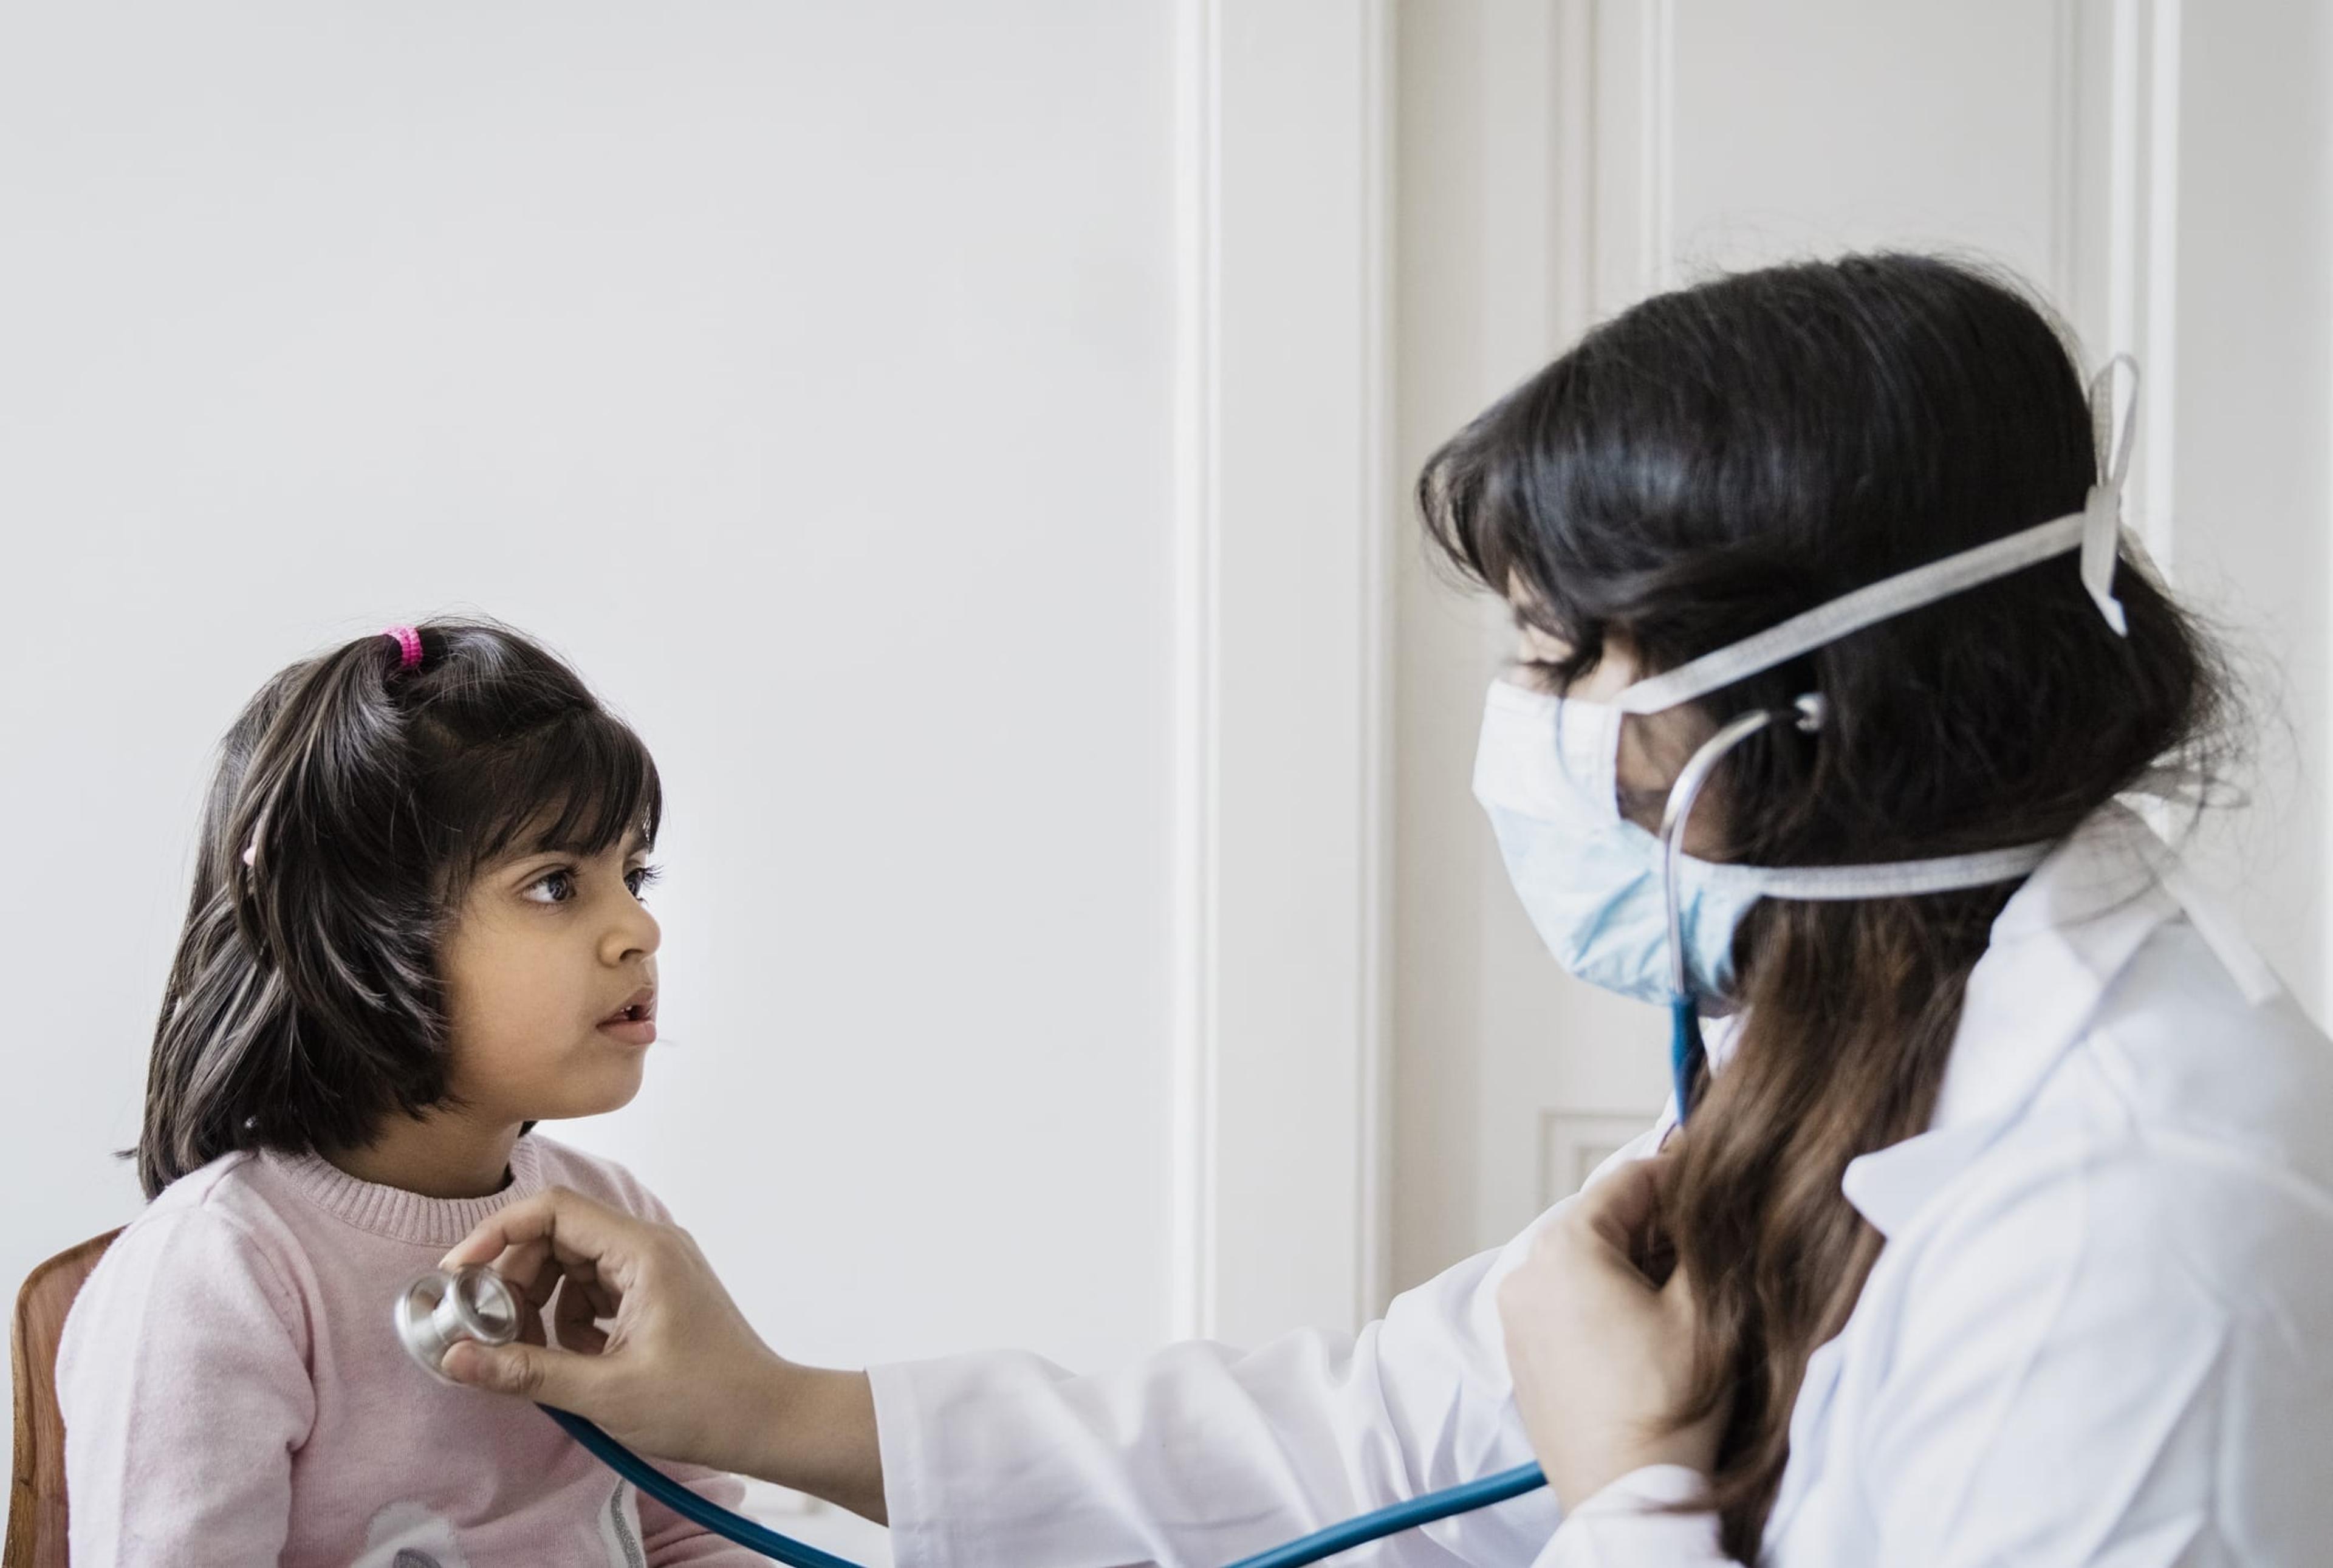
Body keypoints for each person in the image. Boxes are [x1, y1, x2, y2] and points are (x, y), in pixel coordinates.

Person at [437, 255, 2333, 1564]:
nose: (1524, 734)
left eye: (1559, 662)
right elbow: (1379, 1433)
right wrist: (767, 1405)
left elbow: (1546, 1445)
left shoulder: (2146, 1231)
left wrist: (1631, 1498)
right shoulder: (1856, 1033)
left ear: (1802, 718)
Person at [59, 620, 764, 1567]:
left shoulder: (615, 1222)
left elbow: (696, 1535)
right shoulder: (221, 1275)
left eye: (633, 874)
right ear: (350, 935)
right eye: (557, 885)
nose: (640, 927)